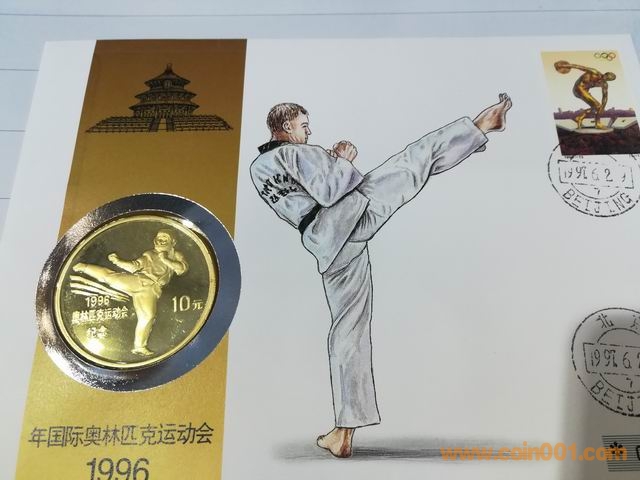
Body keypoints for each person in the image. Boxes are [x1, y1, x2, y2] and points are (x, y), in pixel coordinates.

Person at [250, 95, 512, 458]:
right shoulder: (296, 152)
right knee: (413, 161)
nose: (308, 131)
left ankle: (343, 432)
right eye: (303, 126)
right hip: (350, 214)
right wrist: (342, 159)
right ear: (286, 126)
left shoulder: (259, 168)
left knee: (347, 329)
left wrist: (330, 162)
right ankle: (481, 125)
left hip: (324, 242)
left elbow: (305, 195)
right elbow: (330, 191)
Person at [72, 229, 188, 355]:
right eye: (159, 237)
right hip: (139, 281)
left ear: (173, 241)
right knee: (111, 278)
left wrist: (165, 259)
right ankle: (84, 267)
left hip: (151, 290)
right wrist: (118, 261)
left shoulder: (176, 255)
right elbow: (135, 265)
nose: (161, 240)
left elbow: (182, 269)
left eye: (165, 238)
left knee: (147, 316)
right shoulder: (150, 254)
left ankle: (139, 347)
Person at [554, 60, 616, 129]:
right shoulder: (594, 72)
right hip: (578, 89)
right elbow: (580, 67)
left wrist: (603, 107)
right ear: (605, 74)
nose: (605, 79)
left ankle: (580, 118)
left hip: (584, 91)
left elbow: (605, 97)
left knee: (597, 107)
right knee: (598, 105)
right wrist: (564, 65)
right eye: (606, 77)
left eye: (607, 79)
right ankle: (597, 123)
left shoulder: (604, 84)